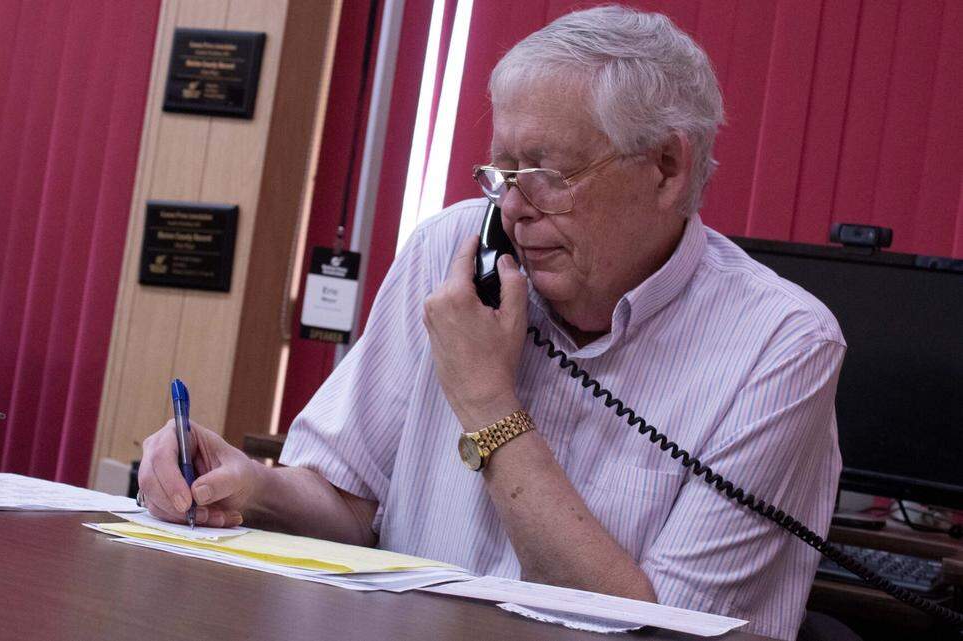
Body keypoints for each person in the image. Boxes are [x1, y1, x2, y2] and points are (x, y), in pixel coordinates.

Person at [137, 6, 844, 639]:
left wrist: (486, 400)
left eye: (547, 172)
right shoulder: (451, 253)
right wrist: (244, 483)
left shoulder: (782, 346)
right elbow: (348, 501)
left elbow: (659, 633)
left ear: (664, 167)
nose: (511, 206)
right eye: (500, 171)